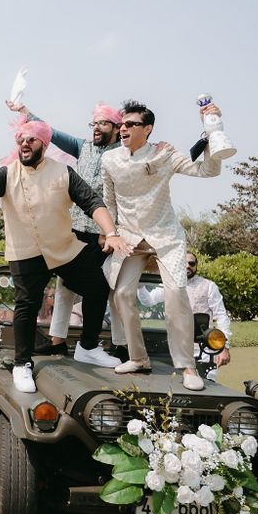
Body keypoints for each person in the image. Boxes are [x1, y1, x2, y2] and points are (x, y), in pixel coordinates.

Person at [0, 118, 132, 394]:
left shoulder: (63, 172)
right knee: (27, 304)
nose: (24, 143)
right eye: (21, 139)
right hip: (26, 254)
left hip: (63, 248)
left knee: (97, 285)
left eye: (31, 139)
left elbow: (92, 202)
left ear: (43, 144)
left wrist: (112, 232)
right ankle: (23, 364)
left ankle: (88, 347)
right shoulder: (6, 174)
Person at [101, 100, 224, 391]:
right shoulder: (110, 160)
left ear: (148, 129)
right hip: (130, 238)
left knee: (176, 294)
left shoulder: (165, 153)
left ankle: (187, 366)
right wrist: (108, 233)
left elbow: (207, 171)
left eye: (131, 124)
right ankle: (138, 357)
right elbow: (109, 201)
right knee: (121, 293)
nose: (124, 129)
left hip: (166, 237)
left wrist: (213, 135)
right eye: (122, 124)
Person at [7, 100, 129, 359]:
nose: (96, 128)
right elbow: (48, 131)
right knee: (64, 287)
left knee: (110, 286)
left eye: (103, 123)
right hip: (73, 230)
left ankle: (118, 344)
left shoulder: (124, 154)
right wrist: (25, 112)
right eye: (93, 123)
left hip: (104, 234)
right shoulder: (81, 147)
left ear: (117, 128)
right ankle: (58, 341)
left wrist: (112, 232)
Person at [136, 251, 232, 380]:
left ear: (196, 266)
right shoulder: (169, 285)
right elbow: (147, 301)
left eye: (191, 263)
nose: (187, 266)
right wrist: (140, 286)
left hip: (203, 351)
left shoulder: (209, 286)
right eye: (183, 263)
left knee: (208, 388)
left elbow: (221, 317)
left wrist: (224, 347)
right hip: (175, 350)